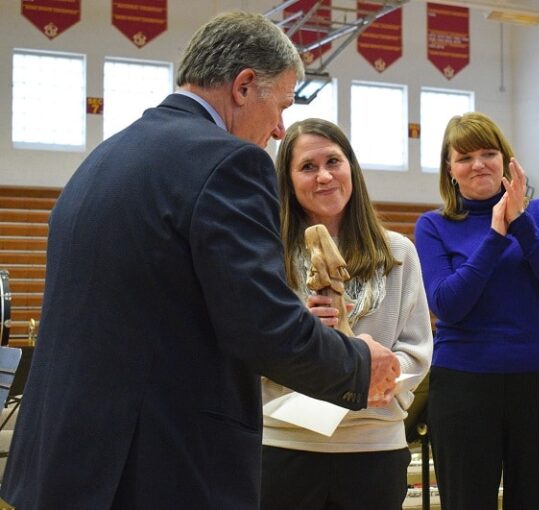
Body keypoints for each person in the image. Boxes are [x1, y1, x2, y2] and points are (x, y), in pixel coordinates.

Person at [0, 12, 400, 509]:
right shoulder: (228, 161)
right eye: (280, 107)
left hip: (65, 463)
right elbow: (261, 325)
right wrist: (359, 365)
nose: (279, 130)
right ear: (244, 85)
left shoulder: (103, 160)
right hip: (157, 466)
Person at [260, 118, 433, 510]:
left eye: (333, 161)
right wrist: (297, 331)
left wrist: (372, 377)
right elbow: (249, 346)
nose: (324, 176)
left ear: (351, 167)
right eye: (307, 166)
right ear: (287, 180)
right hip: (286, 443)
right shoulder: (267, 254)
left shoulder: (398, 253)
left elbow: (417, 352)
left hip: (373, 446)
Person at [414, 112, 539, 510]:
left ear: (506, 161)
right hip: (464, 388)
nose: (478, 164)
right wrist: (494, 234)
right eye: (465, 157)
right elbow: (448, 305)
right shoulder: (433, 226)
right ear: (450, 169)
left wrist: (518, 221)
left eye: (488, 153)